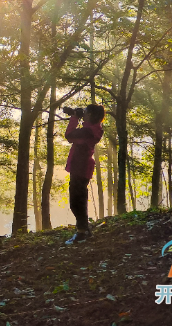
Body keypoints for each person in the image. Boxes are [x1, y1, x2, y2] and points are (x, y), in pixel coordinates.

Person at [63, 104, 105, 245]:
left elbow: (69, 135)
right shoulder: (93, 128)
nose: (84, 113)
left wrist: (74, 118)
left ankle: (82, 232)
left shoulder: (88, 131)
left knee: (76, 202)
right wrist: (76, 116)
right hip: (82, 167)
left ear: (92, 115)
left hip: (80, 167)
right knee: (79, 199)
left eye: (86, 112)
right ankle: (84, 229)